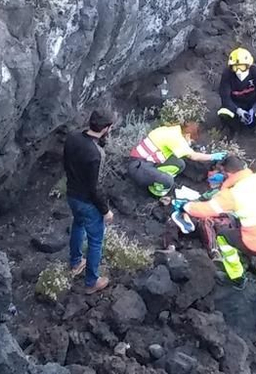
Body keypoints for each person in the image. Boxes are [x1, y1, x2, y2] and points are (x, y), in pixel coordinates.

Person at [183, 152, 256, 338]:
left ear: (227, 174)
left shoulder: (231, 195)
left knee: (223, 237)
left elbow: (207, 209)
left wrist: (186, 206)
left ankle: (236, 277)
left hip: (254, 241)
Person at [61, 109, 117, 294]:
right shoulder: (96, 153)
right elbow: (95, 188)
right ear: (106, 129)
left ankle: (75, 262)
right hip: (86, 201)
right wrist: (105, 211)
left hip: (72, 195)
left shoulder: (73, 137)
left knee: (78, 225)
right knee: (95, 240)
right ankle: (92, 281)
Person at [125, 118, 221, 203]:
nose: (190, 143)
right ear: (188, 135)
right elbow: (193, 156)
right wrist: (212, 157)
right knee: (168, 180)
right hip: (138, 166)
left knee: (179, 164)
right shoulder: (176, 138)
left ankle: (156, 180)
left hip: (148, 162)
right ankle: (155, 194)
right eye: (191, 141)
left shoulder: (173, 130)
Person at [217, 48, 256, 130]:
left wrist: (253, 110)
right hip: (236, 103)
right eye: (235, 67)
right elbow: (225, 98)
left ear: (248, 66)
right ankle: (234, 128)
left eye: (242, 67)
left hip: (252, 102)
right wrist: (238, 110)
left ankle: (253, 126)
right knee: (224, 112)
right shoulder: (227, 74)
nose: (239, 71)